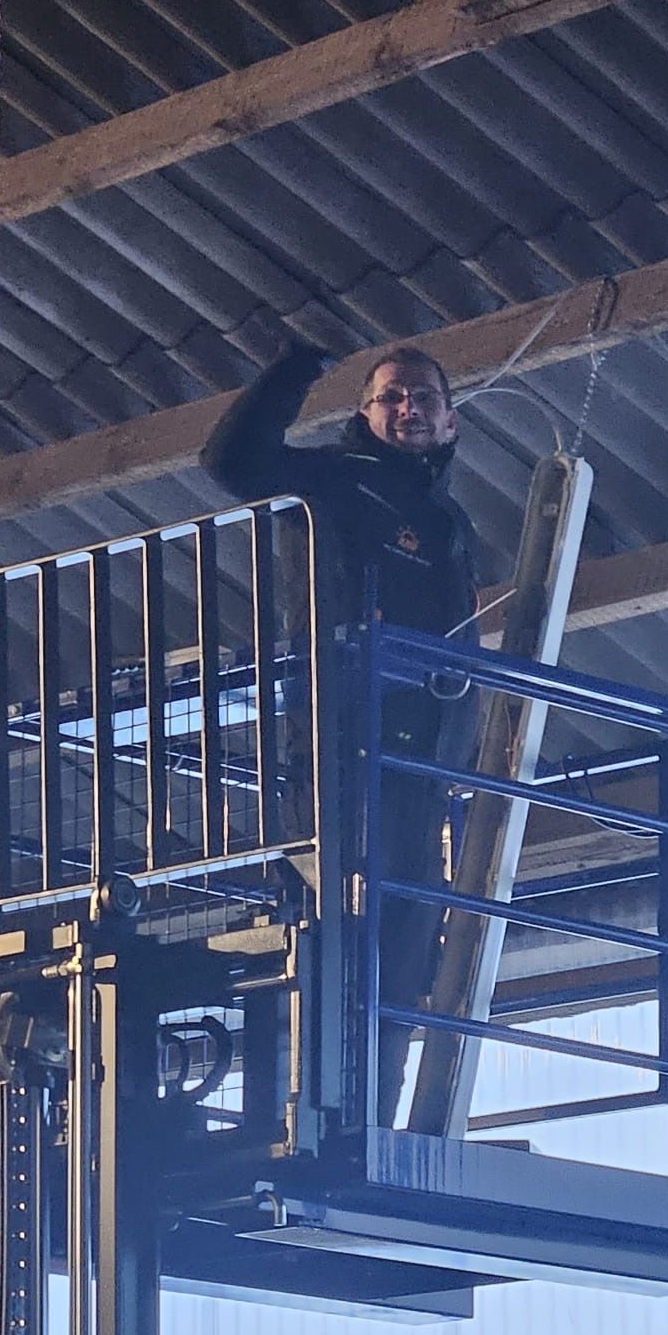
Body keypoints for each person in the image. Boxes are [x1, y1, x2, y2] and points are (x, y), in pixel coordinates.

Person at [203, 341, 482, 1125]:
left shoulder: (448, 519)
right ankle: (324, 1110)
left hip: (424, 766)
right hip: (343, 750)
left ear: (450, 420)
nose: (409, 408)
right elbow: (231, 460)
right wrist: (294, 367)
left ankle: (373, 1118)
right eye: (392, 397)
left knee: (406, 947)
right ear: (364, 414)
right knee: (342, 935)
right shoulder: (330, 479)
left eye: (423, 397)